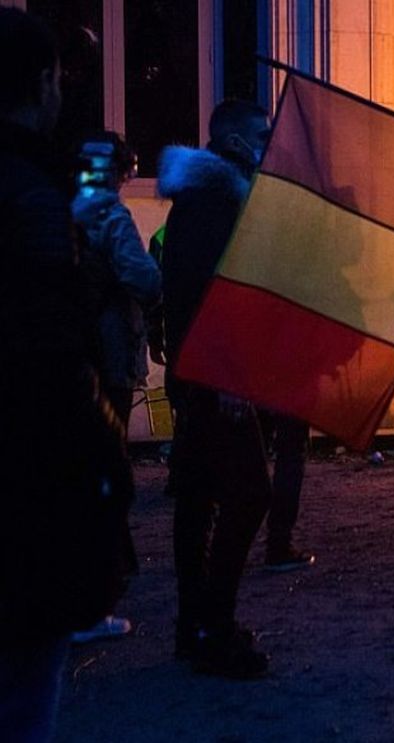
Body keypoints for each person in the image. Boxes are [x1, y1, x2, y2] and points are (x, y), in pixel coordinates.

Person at [0, 9, 133, 740]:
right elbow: (53, 358)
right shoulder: (36, 199)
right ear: (45, 84)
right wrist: (107, 453)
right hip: (27, 471)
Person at [158, 99, 274, 679]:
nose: (267, 141)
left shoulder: (204, 196)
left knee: (200, 496)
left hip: (197, 369)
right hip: (214, 373)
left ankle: (195, 627)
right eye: (260, 133)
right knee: (250, 492)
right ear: (230, 139)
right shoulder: (216, 197)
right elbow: (212, 291)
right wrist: (229, 373)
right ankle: (214, 625)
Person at [67, 130, 161, 644]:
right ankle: (94, 596)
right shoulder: (109, 216)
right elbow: (142, 279)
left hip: (70, 358)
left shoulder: (59, 206)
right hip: (109, 353)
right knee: (106, 473)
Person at [259, 412, 314, 571]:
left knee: (256, 446)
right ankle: (279, 545)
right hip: (292, 395)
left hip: (260, 391)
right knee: (291, 454)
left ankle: (233, 542)